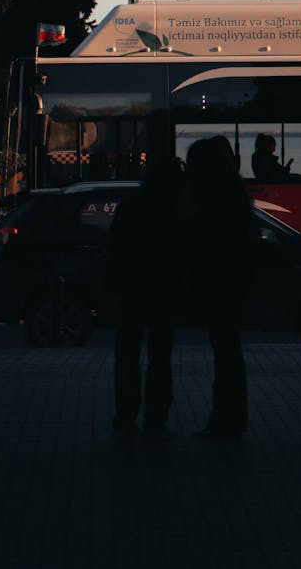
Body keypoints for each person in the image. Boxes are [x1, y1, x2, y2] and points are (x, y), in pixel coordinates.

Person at [105, 156, 185, 440]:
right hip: (162, 290)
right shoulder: (174, 210)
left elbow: (116, 248)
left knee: (127, 355)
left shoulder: (132, 206)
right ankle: (156, 417)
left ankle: (125, 414)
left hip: (132, 289)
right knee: (160, 357)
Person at [185, 136, 255, 440]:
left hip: (219, 283)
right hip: (233, 283)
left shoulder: (208, 202)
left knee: (224, 352)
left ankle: (225, 419)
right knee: (229, 352)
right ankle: (231, 417)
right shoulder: (236, 198)